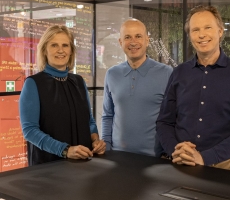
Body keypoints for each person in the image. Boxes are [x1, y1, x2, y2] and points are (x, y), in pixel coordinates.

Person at [156, 5, 230, 171]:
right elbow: (164, 122)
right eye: (195, 30)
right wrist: (176, 150)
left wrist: (204, 157)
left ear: (220, 31)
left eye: (207, 27)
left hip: (225, 167)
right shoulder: (179, 73)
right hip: (182, 163)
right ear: (190, 36)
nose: (201, 34)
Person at [19, 25, 106, 166]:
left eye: (65, 45)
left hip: (84, 165)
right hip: (49, 167)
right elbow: (30, 131)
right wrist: (65, 150)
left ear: (71, 51)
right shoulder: (33, 84)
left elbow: (88, 121)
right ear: (45, 50)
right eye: (54, 45)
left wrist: (95, 140)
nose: (60, 50)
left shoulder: (79, 81)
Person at [102, 18, 173, 157]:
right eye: (127, 37)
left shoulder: (166, 73)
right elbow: (107, 115)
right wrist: (107, 147)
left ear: (147, 40)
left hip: (155, 159)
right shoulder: (112, 74)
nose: (133, 42)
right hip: (117, 157)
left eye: (138, 36)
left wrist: (168, 151)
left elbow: (174, 117)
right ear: (120, 42)